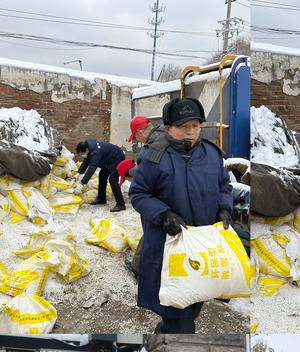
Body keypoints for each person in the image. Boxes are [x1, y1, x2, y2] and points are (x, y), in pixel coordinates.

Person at [129, 97, 233, 334]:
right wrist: (163, 215)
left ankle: (165, 330)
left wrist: (224, 208)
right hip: (170, 245)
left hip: (202, 245)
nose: (191, 131)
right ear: (168, 129)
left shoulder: (211, 154)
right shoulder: (154, 157)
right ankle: (170, 339)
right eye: (183, 126)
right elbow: (138, 194)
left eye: (195, 125)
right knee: (178, 311)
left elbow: (224, 186)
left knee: (196, 300)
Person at [75, 139, 126, 212]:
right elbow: (86, 162)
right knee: (102, 175)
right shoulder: (89, 148)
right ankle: (101, 198)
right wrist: (79, 173)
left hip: (117, 158)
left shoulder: (95, 152)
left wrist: (82, 183)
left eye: (82, 153)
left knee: (113, 180)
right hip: (108, 159)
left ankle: (121, 204)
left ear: (86, 149)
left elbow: (92, 168)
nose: (82, 155)